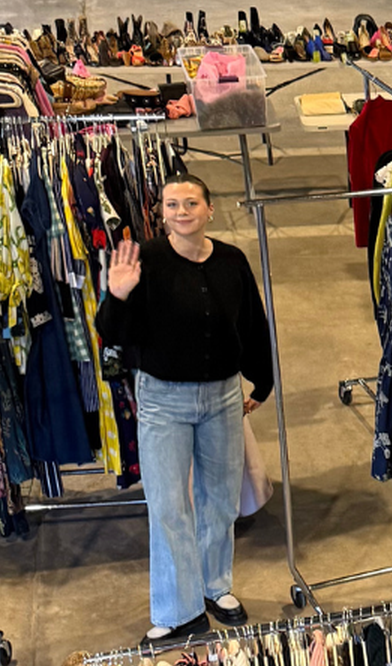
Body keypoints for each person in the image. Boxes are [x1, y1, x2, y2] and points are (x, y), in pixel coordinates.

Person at [96, 174, 273, 641]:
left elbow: (253, 323)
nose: (181, 211)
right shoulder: (147, 261)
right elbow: (111, 333)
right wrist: (117, 294)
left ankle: (216, 587)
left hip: (222, 396)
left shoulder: (231, 261)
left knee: (218, 498)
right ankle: (178, 610)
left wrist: (263, 378)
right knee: (169, 504)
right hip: (163, 399)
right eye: (171, 204)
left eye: (190, 202)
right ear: (162, 213)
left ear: (209, 209)